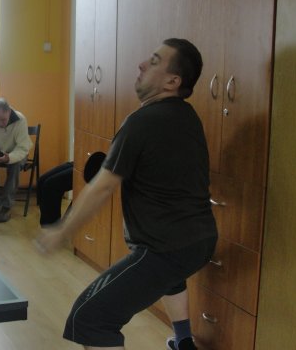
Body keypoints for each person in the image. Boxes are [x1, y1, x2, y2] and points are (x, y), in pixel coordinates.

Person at [35, 39, 218, 350]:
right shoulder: (187, 116)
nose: (142, 64)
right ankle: (184, 340)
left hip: (165, 247)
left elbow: (103, 186)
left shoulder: (141, 122)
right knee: (169, 277)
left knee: (89, 319)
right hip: (200, 240)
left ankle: (183, 339)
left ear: (172, 81)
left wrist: (62, 231)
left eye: (155, 61)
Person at [0, 98, 32, 223]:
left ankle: (6, 206)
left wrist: (9, 157)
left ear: (9, 111)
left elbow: (22, 147)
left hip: (18, 151)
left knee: (14, 165)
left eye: (3, 119)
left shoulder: (20, 119)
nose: (0, 124)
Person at [37, 161, 74, 226]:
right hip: (81, 160)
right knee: (42, 181)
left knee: (50, 185)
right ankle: (48, 226)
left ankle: (52, 228)